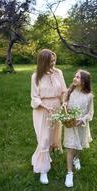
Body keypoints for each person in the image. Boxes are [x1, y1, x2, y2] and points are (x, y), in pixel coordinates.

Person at [31, 49, 67, 184]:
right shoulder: (35, 77)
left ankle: (38, 158)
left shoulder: (58, 73)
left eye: (54, 60)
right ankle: (43, 170)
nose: (53, 63)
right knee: (44, 138)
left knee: (50, 138)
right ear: (43, 61)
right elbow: (34, 97)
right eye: (50, 61)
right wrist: (45, 107)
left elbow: (64, 90)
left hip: (56, 108)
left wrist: (63, 102)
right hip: (43, 110)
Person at [63, 69, 94, 187]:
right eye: (75, 76)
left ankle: (77, 158)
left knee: (79, 145)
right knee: (70, 147)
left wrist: (83, 119)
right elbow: (64, 103)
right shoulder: (69, 91)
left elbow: (90, 113)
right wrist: (64, 105)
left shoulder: (89, 96)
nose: (75, 78)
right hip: (70, 125)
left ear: (84, 82)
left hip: (81, 125)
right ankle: (69, 173)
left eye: (78, 77)